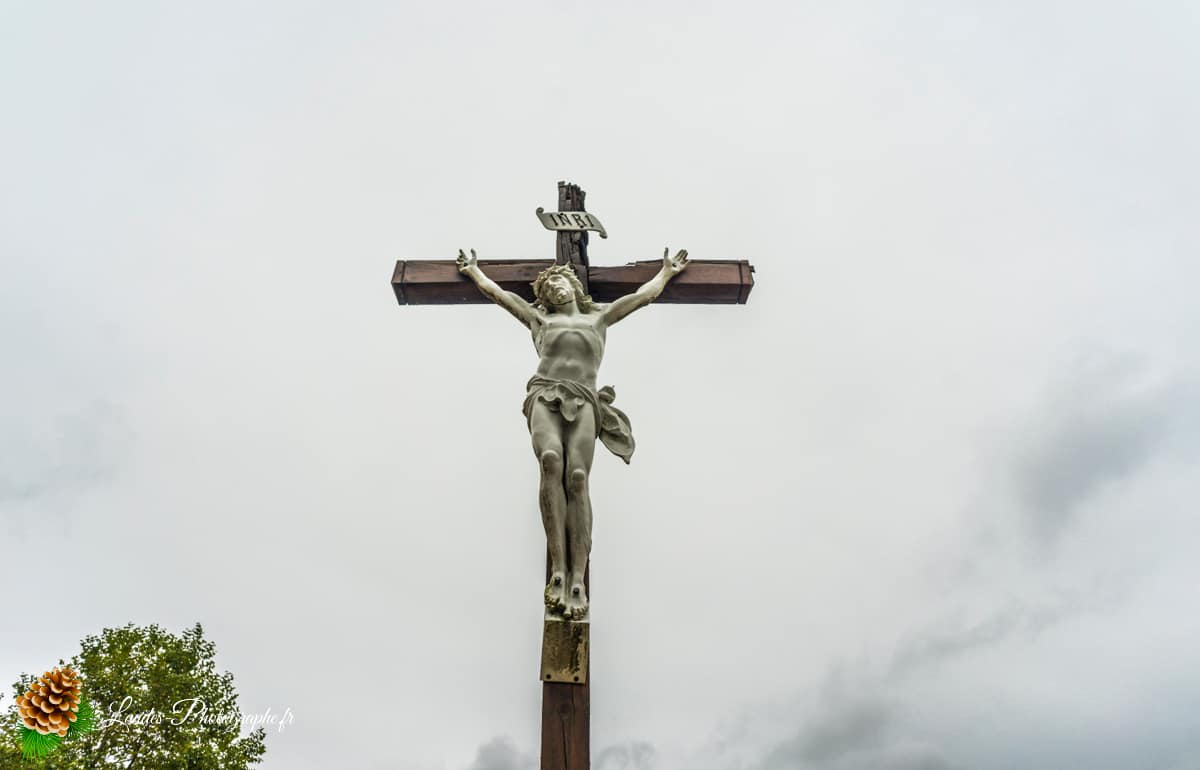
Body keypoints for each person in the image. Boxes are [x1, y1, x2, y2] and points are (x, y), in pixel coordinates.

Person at [455, 247, 689, 619]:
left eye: (561, 284)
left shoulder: (600, 318)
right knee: (551, 462)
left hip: (584, 400)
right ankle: (558, 570)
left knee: (577, 478)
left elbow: (643, 296)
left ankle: (578, 575)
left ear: (574, 286)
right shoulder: (539, 320)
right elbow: (500, 296)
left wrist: (666, 272)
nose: (557, 291)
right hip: (545, 393)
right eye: (549, 290)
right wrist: (474, 273)